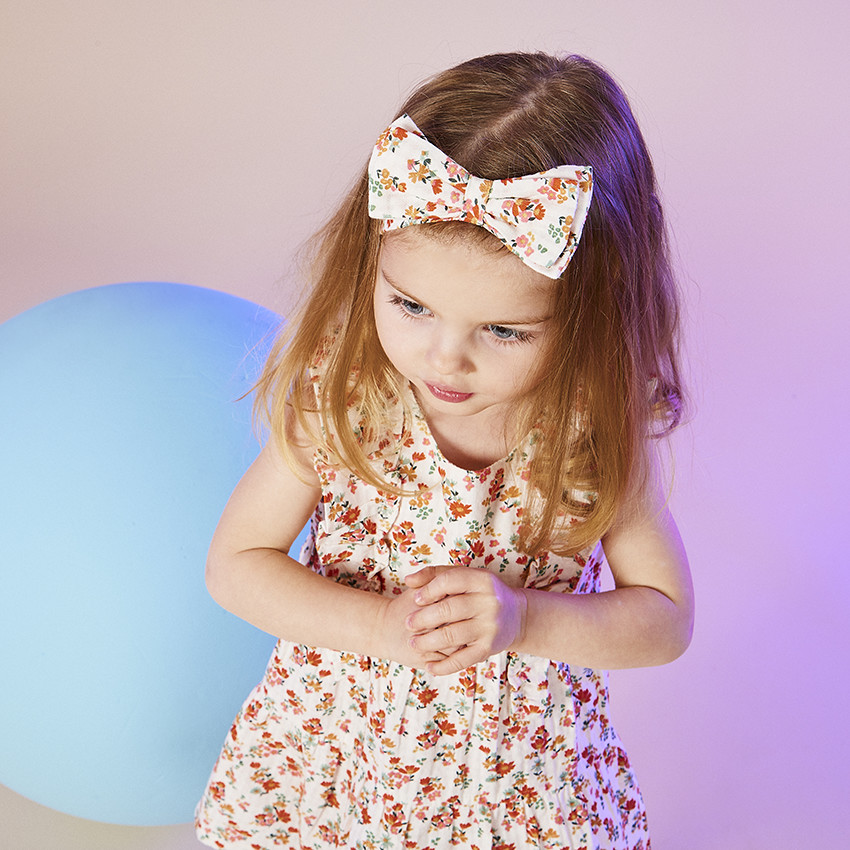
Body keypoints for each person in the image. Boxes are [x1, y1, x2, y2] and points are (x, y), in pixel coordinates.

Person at [195, 51, 694, 850]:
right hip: (344, 758)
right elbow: (238, 562)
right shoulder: (346, 400)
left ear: (594, 314)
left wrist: (525, 618)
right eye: (411, 306)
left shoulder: (589, 433)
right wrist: (384, 630)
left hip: (516, 782)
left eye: (504, 330)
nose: (444, 358)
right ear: (372, 267)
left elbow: (664, 621)